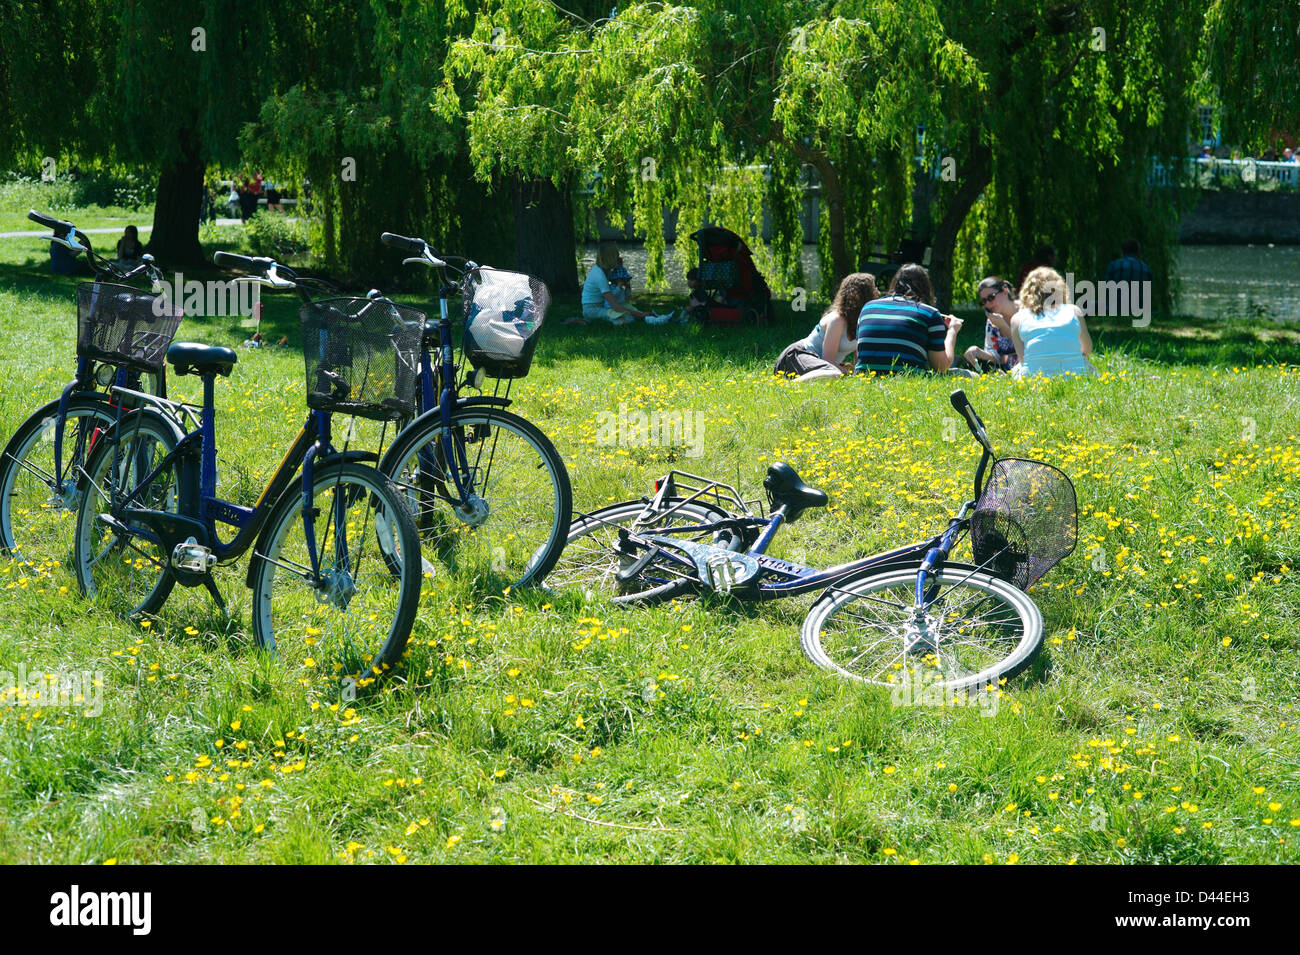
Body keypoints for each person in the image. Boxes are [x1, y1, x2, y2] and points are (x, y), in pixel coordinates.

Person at [854, 263, 964, 375]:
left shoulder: (868, 307)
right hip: (907, 378)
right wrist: (952, 330)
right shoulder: (930, 313)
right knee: (969, 375)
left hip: (865, 377)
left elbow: (859, 355)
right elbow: (941, 368)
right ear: (926, 287)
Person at [774, 273, 878, 380]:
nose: (878, 293)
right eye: (874, 289)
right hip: (797, 356)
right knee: (834, 373)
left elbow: (858, 363)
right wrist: (846, 372)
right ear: (862, 295)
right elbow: (827, 359)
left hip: (823, 365)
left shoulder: (861, 320)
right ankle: (789, 387)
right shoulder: (837, 320)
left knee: (837, 372)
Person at [1009, 266, 1096, 379]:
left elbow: (1023, 359)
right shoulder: (1074, 311)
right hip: (1075, 376)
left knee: (1016, 369)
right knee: (1084, 361)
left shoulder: (1017, 318)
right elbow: (1087, 349)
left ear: (1027, 292)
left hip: (1035, 379)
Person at [578, 241, 649, 325]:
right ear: (610, 258)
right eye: (617, 256)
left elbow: (621, 292)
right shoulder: (599, 275)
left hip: (603, 306)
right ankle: (584, 321)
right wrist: (640, 315)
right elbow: (615, 306)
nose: (619, 258)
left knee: (633, 313)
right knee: (626, 319)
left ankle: (650, 317)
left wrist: (621, 268)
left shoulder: (606, 270)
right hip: (593, 310)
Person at [963, 276, 1019, 373]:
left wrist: (1004, 327)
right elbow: (995, 357)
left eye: (991, 297)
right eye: (984, 301)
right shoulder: (992, 321)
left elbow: (1029, 347)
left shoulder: (1026, 312)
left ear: (1005, 291)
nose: (988, 304)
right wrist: (977, 351)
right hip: (1007, 370)